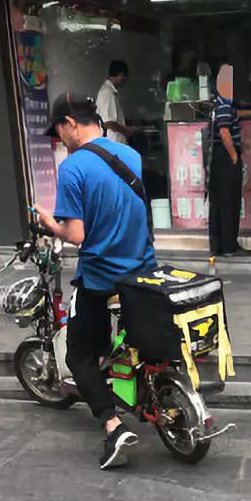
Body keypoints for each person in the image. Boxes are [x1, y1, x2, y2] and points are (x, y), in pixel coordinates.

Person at [34, 91, 156, 470]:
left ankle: (113, 424)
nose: (58, 140)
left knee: (78, 355)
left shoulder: (73, 167)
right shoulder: (131, 155)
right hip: (142, 270)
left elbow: (77, 236)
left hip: (102, 276)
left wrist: (49, 223)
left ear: (69, 123)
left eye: (57, 131)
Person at [208, 64, 251, 256]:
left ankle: (219, 246)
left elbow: (231, 117)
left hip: (219, 157)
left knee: (219, 202)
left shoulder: (222, 102)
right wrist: (235, 158)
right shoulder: (224, 102)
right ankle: (229, 247)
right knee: (229, 202)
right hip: (226, 156)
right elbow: (224, 132)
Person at [96, 60, 132, 144]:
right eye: (126, 77)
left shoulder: (111, 92)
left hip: (115, 143)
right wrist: (126, 131)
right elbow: (109, 123)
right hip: (112, 143)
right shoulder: (107, 92)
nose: (126, 80)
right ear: (121, 75)